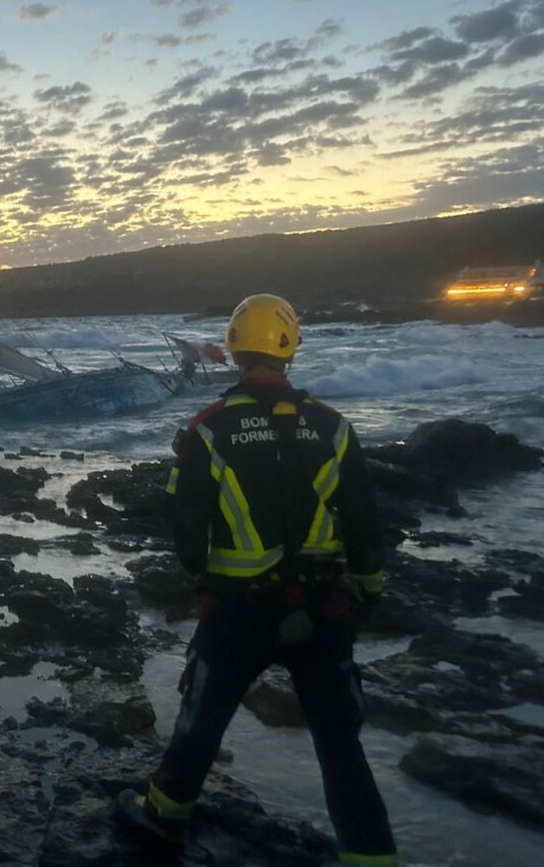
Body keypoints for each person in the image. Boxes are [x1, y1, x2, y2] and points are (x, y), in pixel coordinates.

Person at [116, 293, 397, 867]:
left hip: (238, 610)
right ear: (289, 348)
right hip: (323, 608)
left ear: (235, 349)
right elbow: (366, 521)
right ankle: (370, 858)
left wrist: (200, 578)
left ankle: (163, 818)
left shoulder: (209, 428)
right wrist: (367, 588)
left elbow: (186, 526)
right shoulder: (334, 427)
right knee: (339, 743)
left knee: (202, 721)